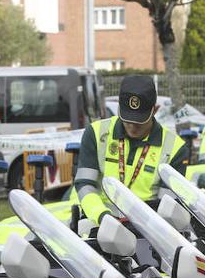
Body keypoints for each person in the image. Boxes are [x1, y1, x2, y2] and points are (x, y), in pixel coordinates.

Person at [73, 75, 187, 224]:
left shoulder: (175, 148)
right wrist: (102, 216)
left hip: (148, 232)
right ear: (119, 107)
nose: (132, 127)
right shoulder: (96, 133)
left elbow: (167, 205)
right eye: (127, 119)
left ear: (155, 110)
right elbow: (84, 184)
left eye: (139, 121)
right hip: (99, 225)